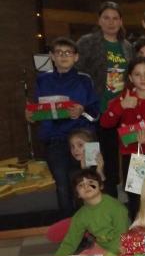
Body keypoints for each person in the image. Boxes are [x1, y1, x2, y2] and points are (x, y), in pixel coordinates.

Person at [26, 37, 98, 218]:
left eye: (68, 53)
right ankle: (70, 228)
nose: (63, 56)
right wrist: (30, 115)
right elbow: (35, 109)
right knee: (63, 185)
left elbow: (96, 111)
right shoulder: (42, 80)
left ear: (76, 57)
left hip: (84, 139)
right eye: (59, 53)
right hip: (55, 139)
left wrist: (82, 110)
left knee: (88, 182)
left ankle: (94, 225)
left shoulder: (85, 79)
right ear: (51, 56)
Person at [100, 57, 145, 219]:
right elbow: (105, 122)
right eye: (137, 74)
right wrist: (121, 106)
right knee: (135, 201)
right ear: (130, 78)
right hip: (131, 158)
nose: (143, 78)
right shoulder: (123, 100)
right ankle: (137, 238)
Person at [76, 1, 133, 197]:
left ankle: (115, 203)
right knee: (93, 161)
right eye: (106, 18)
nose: (111, 22)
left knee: (114, 161)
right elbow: (79, 76)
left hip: (121, 112)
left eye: (115, 18)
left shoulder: (126, 46)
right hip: (94, 113)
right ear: (99, 20)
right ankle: (94, 204)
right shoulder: (87, 43)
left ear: (121, 21)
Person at [49, 169, 131, 256]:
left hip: (124, 247)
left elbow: (122, 235)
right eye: (81, 185)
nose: (86, 186)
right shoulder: (81, 215)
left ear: (100, 185)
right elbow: (70, 242)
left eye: (90, 182)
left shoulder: (116, 207)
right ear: (77, 193)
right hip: (102, 247)